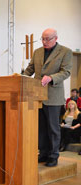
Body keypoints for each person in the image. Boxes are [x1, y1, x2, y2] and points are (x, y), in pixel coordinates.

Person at [24, 28, 73, 167]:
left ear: (55, 38)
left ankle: (53, 156)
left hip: (53, 96)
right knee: (41, 128)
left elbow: (66, 71)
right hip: (37, 96)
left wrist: (51, 77)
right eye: (43, 39)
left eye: (48, 39)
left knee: (53, 128)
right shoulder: (37, 52)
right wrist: (20, 78)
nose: (44, 42)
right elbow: (30, 69)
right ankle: (43, 153)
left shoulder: (65, 52)